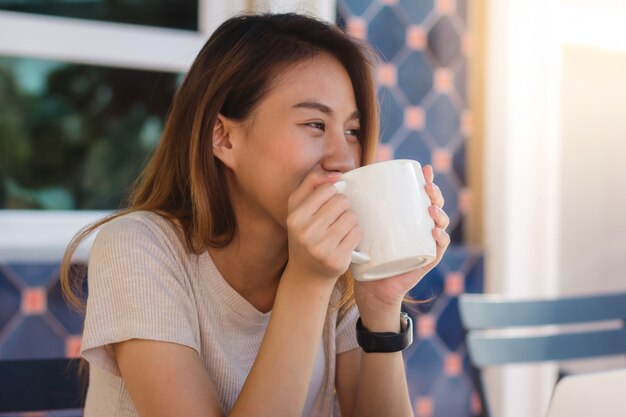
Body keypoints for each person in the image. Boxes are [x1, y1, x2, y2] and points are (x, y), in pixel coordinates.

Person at [61, 12, 450, 417]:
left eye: (352, 131)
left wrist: (381, 306)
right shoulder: (137, 248)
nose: (343, 158)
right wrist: (306, 284)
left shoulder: (338, 259)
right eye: (315, 124)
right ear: (223, 137)